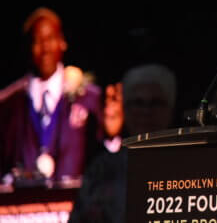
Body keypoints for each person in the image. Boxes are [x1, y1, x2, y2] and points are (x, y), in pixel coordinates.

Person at [0, 8, 122, 183]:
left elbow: (107, 164)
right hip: (24, 207)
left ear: (62, 42)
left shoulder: (90, 98)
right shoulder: (9, 104)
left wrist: (112, 138)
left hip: (78, 206)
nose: (45, 49)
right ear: (27, 48)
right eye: (37, 41)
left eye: (50, 38)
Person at [69, 63, 177, 223]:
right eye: (138, 102)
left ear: (170, 108)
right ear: (125, 109)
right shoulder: (101, 170)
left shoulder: (184, 165)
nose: (146, 111)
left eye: (155, 102)